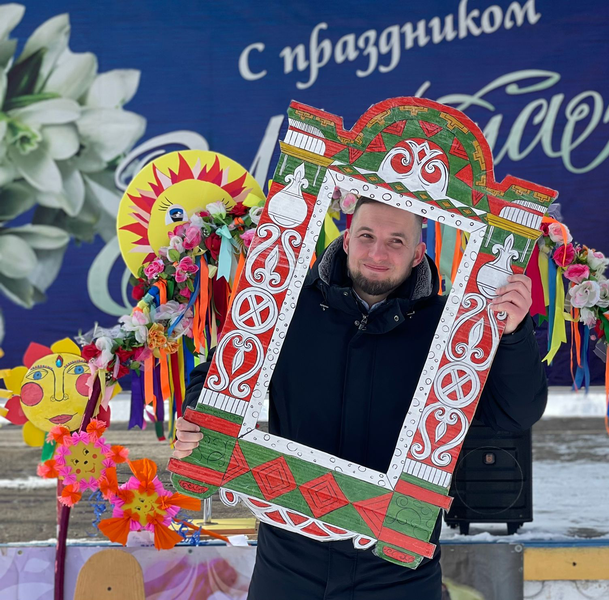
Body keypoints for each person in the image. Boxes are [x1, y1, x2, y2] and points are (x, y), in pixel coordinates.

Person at [173, 197, 547, 600]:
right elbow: (215, 373)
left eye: (396, 241)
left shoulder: (451, 328)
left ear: (419, 254)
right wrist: (200, 421)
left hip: (397, 563)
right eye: (367, 235)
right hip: (289, 555)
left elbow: (515, 413)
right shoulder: (287, 306)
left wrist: (512, 335)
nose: (378, 252)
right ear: (347, 239)